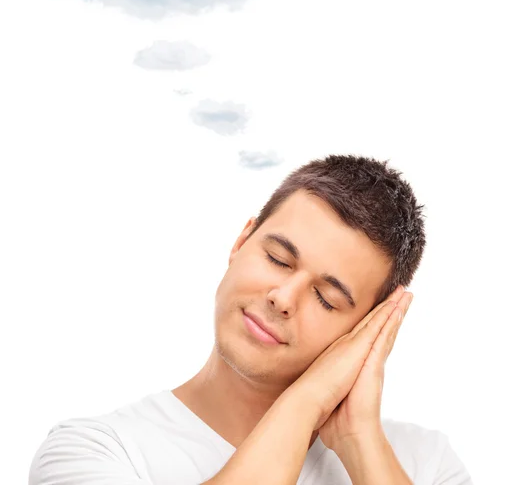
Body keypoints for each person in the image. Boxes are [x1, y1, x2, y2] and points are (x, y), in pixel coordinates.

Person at [28, 154, 473, 484]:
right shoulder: (93, 450)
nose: (283, 298)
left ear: (369, 329)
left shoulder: (422, 462)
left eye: (325, 297)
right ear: (242, 241)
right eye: (278, 259)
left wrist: (359, 441)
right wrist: (307, 401)